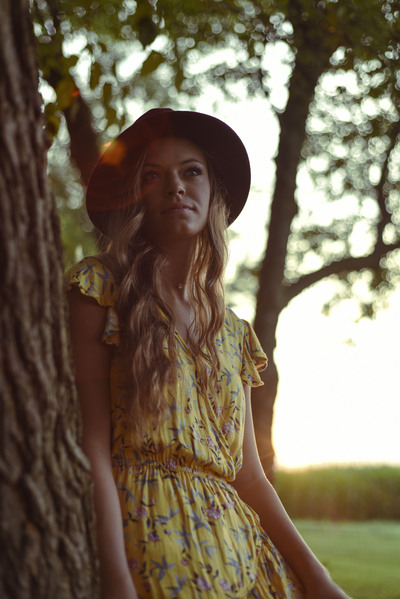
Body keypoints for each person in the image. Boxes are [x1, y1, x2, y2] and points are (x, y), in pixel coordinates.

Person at [66, 108, 350, 599]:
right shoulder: (99, 287)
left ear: (213, 193)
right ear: (136, 196)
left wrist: (318, 579)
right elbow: (92, 446)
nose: (175, 186)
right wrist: (115, 578)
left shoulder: (233, 331)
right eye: (153, 176)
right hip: (154, 542)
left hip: (246, 554)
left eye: (190, 171)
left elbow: (250, 477)